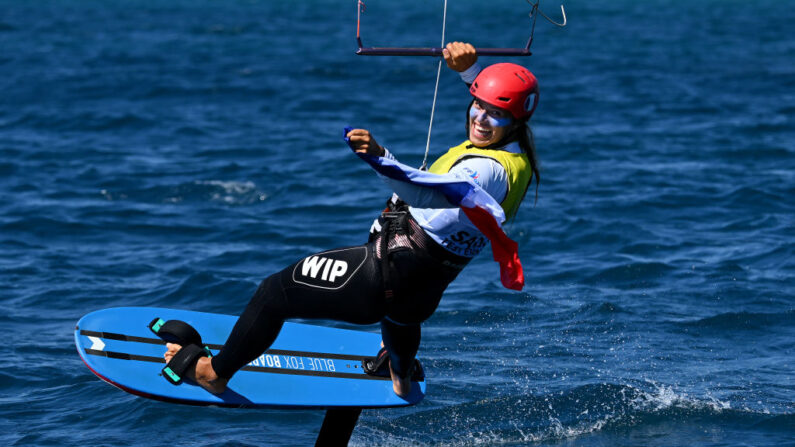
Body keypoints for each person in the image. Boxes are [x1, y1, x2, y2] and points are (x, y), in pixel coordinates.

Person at [164, 42, 541, 398]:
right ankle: (399, 376)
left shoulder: (487, 169)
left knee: (273, 292)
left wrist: (380, 156)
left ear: (515, 119)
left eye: (496, 113)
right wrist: (469, 70)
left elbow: (428, 192)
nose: (481, 117)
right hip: (423, 286)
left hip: (380, 275)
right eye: (477, 104)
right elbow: (491, 106)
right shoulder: (515, 156)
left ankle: (214, 374)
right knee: (402, 319)